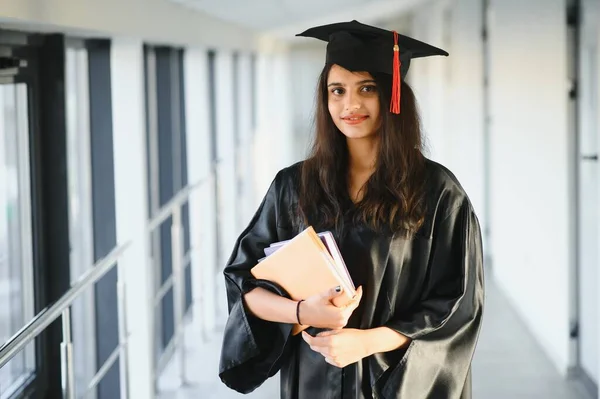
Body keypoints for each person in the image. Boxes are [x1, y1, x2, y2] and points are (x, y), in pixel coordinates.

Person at [219, 20, 484, 399]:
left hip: (393, 381)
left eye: (367, 89)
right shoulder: (292, 186)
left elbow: (459, 302)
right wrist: (303, 313)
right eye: (337, 90)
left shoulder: (437, 191)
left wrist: (368, 341)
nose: (350, 105)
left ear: (394, 98)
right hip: (312, 379)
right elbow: (243, 286)